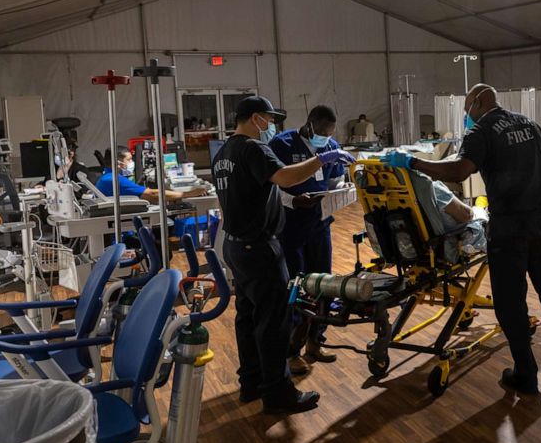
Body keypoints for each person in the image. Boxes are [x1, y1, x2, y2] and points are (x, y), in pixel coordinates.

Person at [380, 84, 541, 396]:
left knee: (510, 304)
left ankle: (526, 375)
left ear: (479, 101)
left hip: (508, 229)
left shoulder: (481, 131)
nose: (466, 116)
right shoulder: (531, 124)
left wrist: (412, 163)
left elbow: (459, 171)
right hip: (539, 225)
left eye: (467, 108)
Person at [212, 96, 354, 415]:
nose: (271, 125)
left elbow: (259, 194)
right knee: (273, 323)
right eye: (268, 118)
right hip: (259, 247)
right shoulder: (253, 148)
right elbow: (285, 178)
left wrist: (290, 203)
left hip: (235, 246)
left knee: (247, 318)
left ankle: (251, 383)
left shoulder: (223, 153)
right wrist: (323, 158)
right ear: (255, 118)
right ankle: (278, 393)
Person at [268, 106, 346, 376]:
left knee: (323, 282)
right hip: (290, 225)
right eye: (322, 132)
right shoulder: (282, 144)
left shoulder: (332, 147)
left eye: (330, 134)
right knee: (297, 284)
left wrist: (341, 191)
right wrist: (293, 200)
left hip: (319, 223)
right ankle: (291, 349)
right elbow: (271, 185)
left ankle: (316, 340)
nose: (326, 138)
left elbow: (335, 179)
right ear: (310, 125)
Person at [95, 146, 207, 202]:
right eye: (128, 160)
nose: (131, 163)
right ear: (117, 163)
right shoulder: (113, 180)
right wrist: (189, 193)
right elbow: (152, 194)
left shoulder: (106, 177)